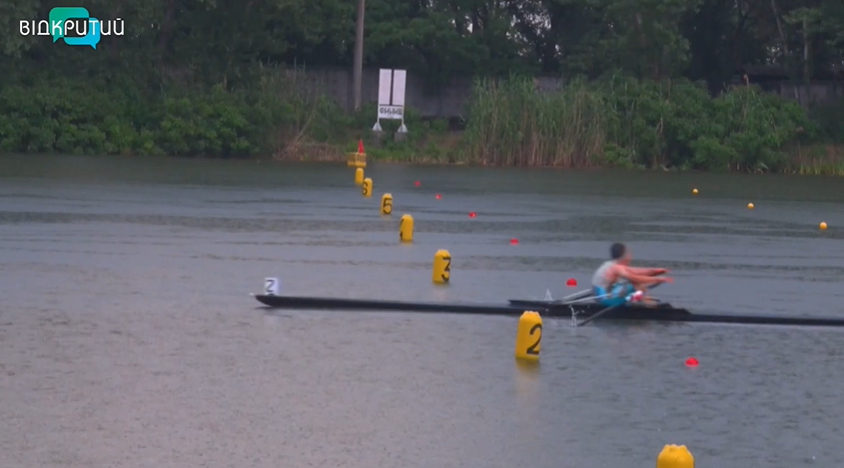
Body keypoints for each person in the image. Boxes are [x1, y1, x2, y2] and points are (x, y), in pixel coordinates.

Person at [591, 243, 672, 306]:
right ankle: (643, 303)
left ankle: (641, 300)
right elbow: (634, 278)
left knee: (631, 284)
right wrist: (658, 279)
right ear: (624, 256)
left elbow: (638, 272)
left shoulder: (611, 265)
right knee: (637, 284)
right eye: (629, 254)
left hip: (601, 296)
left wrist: (656, 271)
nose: (630, 256)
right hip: (605, 300)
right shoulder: (616, 268)